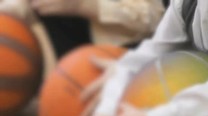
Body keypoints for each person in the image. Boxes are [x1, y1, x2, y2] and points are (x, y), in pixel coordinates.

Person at [0, 0, 166, 58]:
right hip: (73, 77)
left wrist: (85, 5)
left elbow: (155, 18)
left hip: (129, 62)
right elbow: (20, 8)